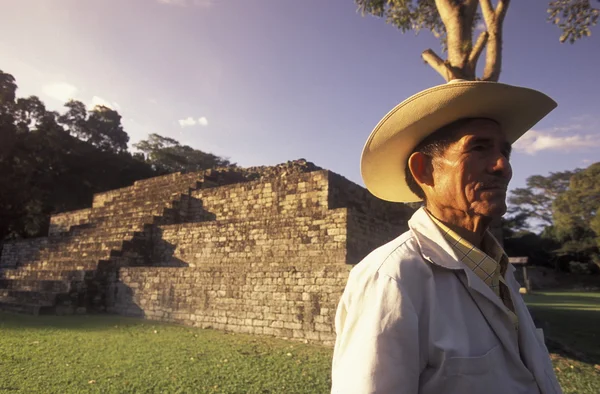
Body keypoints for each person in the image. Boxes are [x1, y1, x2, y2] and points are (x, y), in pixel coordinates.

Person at [331, 80, 563, 394]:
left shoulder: (498, 269)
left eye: (505, 151)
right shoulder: (389, 279)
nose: (503, 166)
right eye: (479, 148)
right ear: (425, 170)